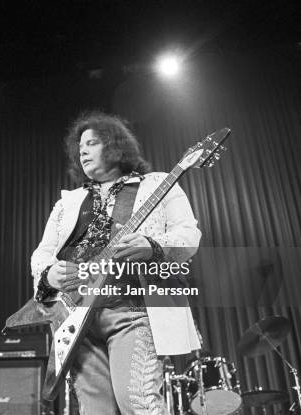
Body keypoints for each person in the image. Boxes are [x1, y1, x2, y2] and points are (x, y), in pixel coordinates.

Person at [31, 112, 201, 414]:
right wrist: (49, 274)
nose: (82, 151)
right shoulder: (68, 202)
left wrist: (153, 247)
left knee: (138, 404)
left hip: (134, 311)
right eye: (80, 146)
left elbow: (188, 235)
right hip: (76, 317)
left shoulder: (158, 184)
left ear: (115, 146)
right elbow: (43, 253)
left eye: (92, 143)